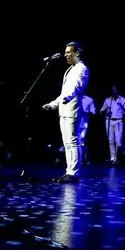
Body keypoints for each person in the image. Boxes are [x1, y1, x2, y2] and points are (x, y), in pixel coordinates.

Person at [41, 42, 89, 183]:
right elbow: (63, 93)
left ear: (77, 53)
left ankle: (73, 173)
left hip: (72, 108)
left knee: (73, 141)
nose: (66, 55)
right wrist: (53, 104)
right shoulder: (70, 70)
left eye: (69, 52)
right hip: (64, 109)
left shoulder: (82, 69)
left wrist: (68, 97)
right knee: (67, 143)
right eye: (65, 52)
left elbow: (76, 86)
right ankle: (69, 171)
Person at [100, 86, 125, 165]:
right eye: (112, 91)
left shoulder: (122, 100)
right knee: (110, 140)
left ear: (118, 91)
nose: (114, 92)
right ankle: (112, 158)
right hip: (109, 121)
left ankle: (118, 158)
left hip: (118, 121)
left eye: (115, 90)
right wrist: (106, 112)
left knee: (118, 140)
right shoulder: (108, 100)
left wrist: (121, 106)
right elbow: (102, 110)